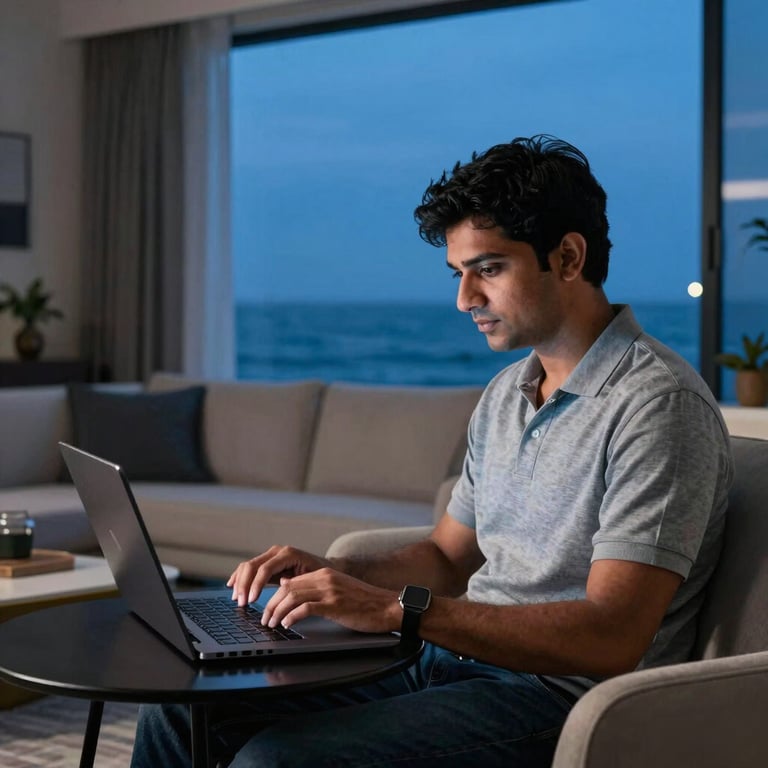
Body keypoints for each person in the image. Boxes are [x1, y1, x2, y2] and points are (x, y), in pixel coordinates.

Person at [131, 135, 733, 767]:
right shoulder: (507, 393)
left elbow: (613, 634)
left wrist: (398, 610)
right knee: (183, 707)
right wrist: (337, 577)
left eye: (489, 269)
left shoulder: (657, 406)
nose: (464, 299)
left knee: (277, 760)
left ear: (568, 257)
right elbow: (449, 557)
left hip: (559, 699)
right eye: (459, 274)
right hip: (451, 662)